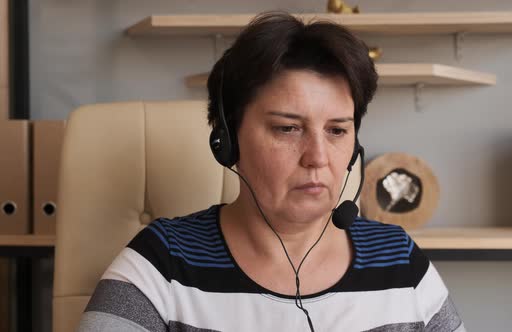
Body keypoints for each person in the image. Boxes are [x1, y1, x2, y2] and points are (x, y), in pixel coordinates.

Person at [78, 11, 465, 332]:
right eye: (287, 128)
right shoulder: (159, 265)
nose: (317, 157)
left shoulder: (400, 262)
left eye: (337, 131)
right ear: (227, 141)